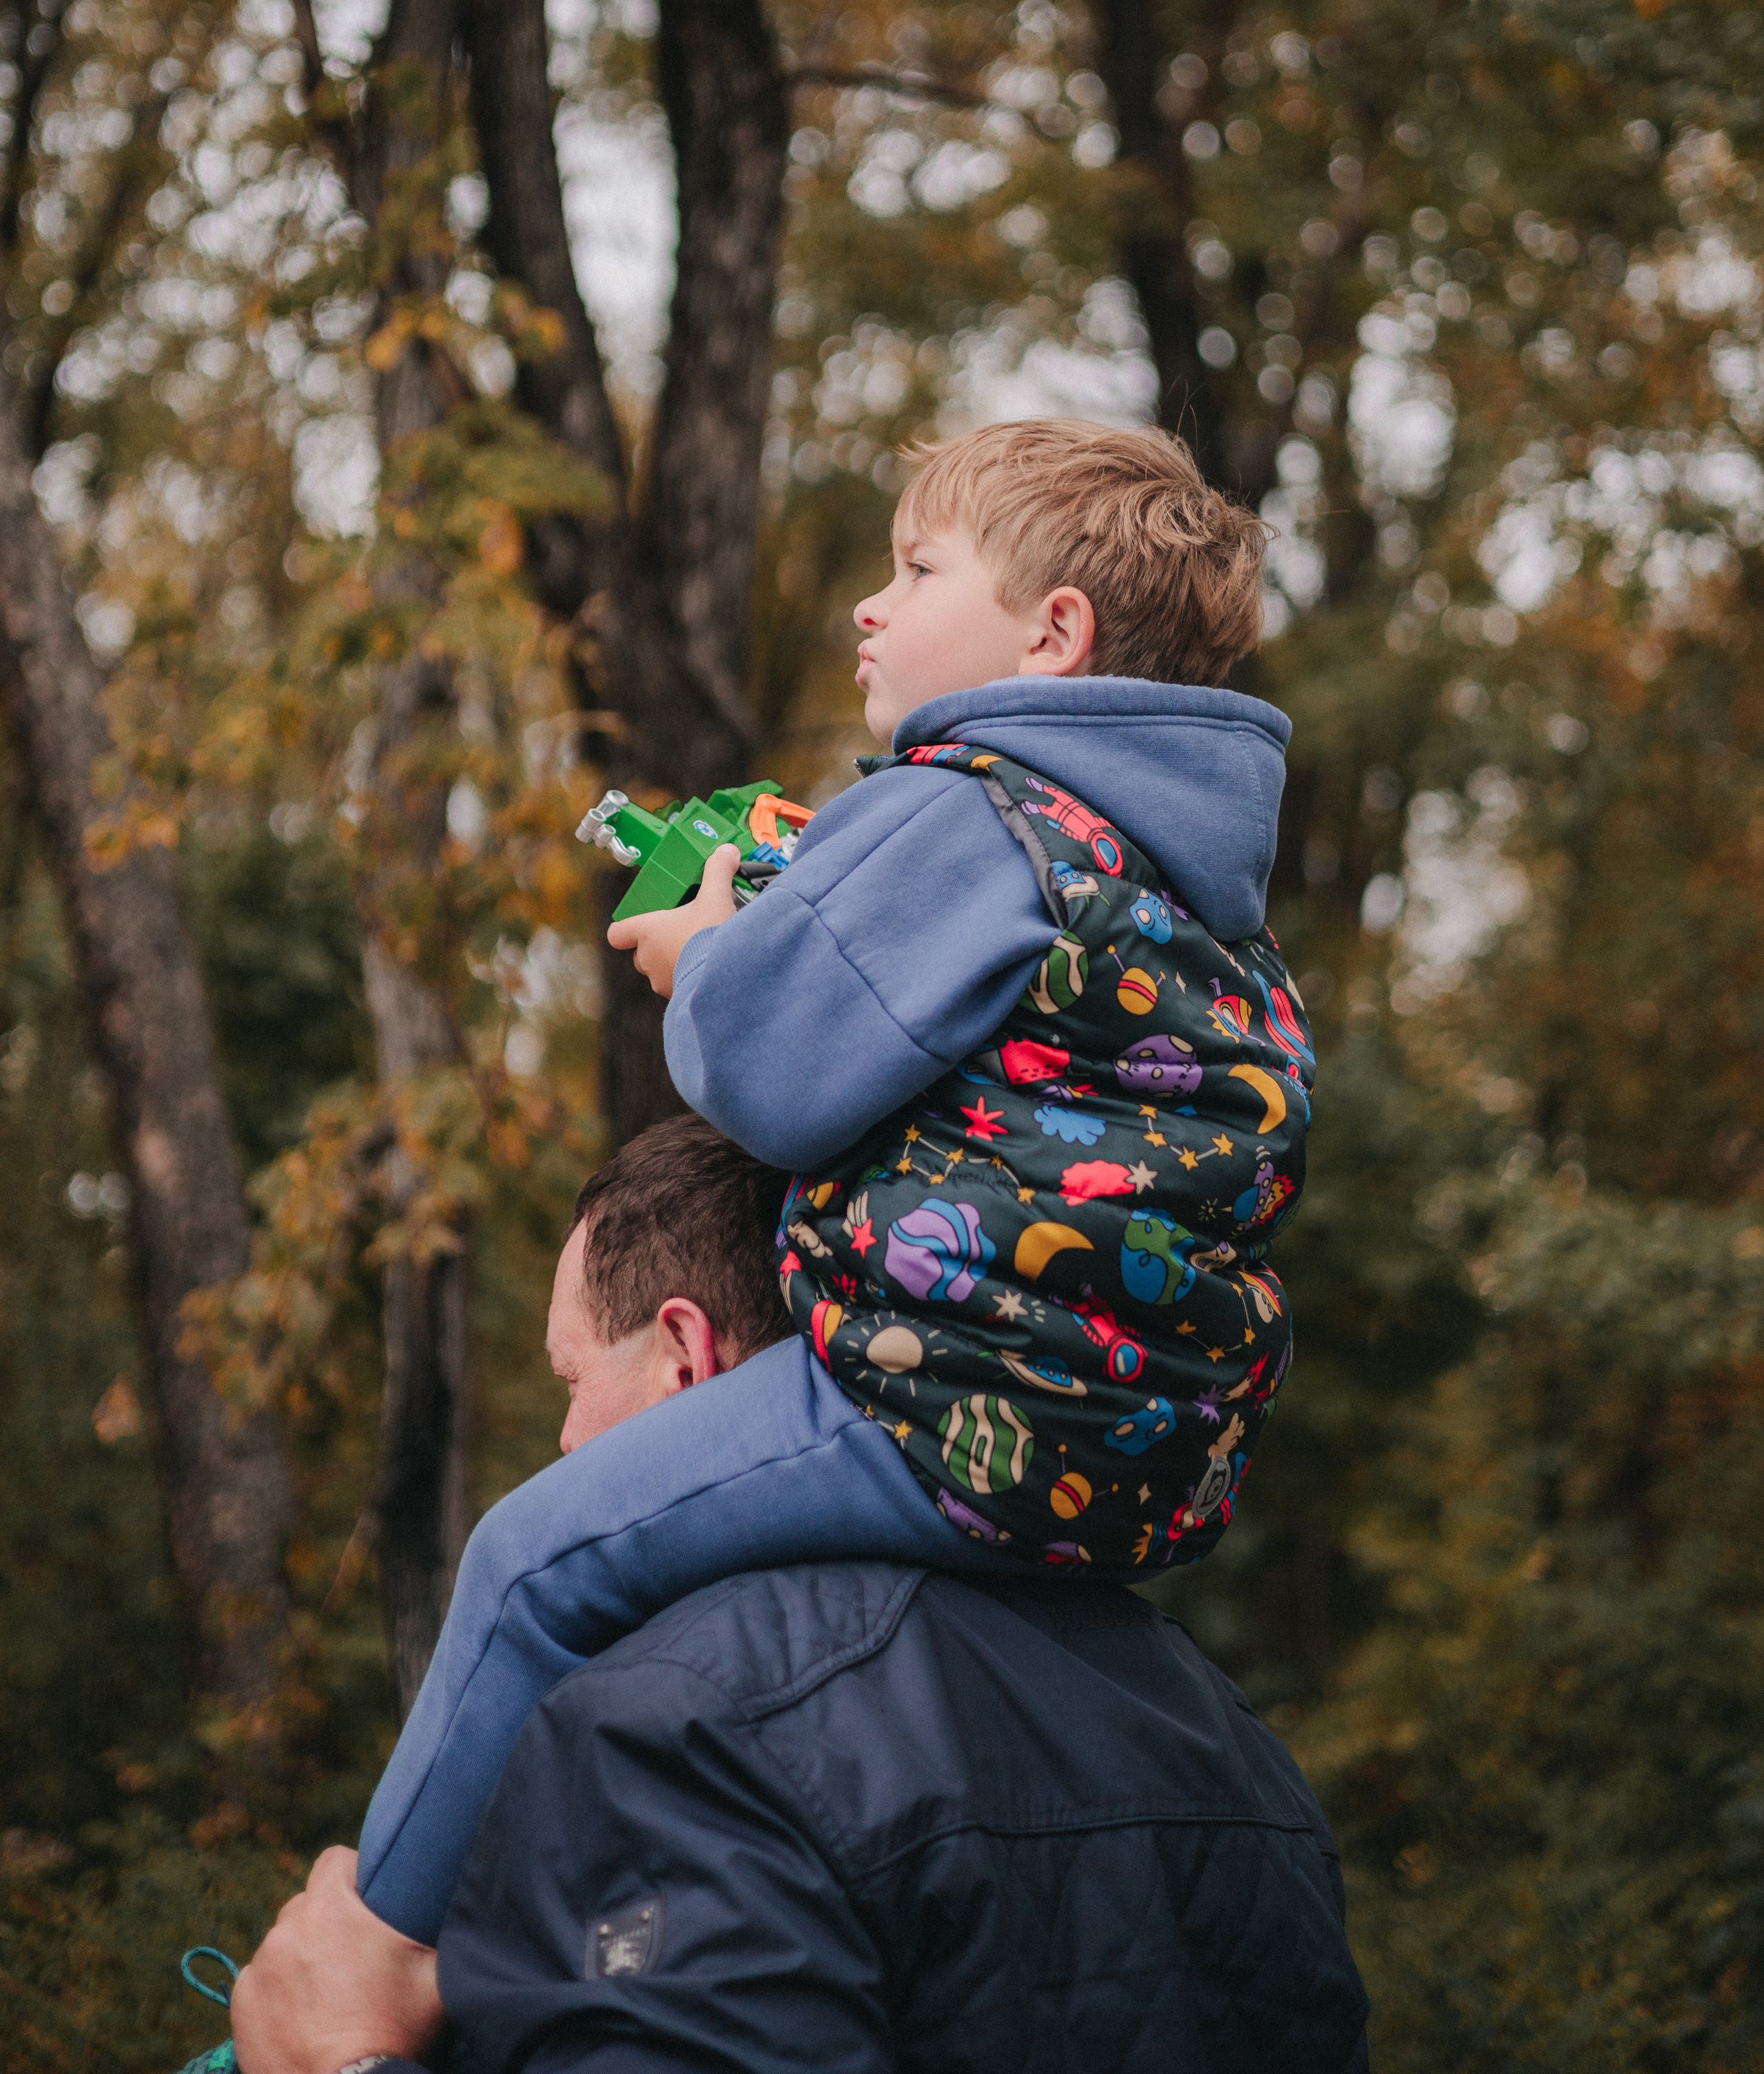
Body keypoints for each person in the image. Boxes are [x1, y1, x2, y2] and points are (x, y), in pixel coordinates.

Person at [354, 418, 1316, 1948]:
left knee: (527, 1561)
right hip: (1151, 1460)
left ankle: (375, 1952)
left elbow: (769, 1081)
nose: (869, 605)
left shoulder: (962, 801)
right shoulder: (1201, 906)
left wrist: (704, 956)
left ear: (1051, 635)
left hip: (940, 1399)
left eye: (915, 567)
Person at [232, 1135, 1368, 2074]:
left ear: (685, 1355)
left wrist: (346, 2061)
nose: (566, 1443)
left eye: (571, 1381)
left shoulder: (666, 1732)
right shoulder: (1225, 1732)